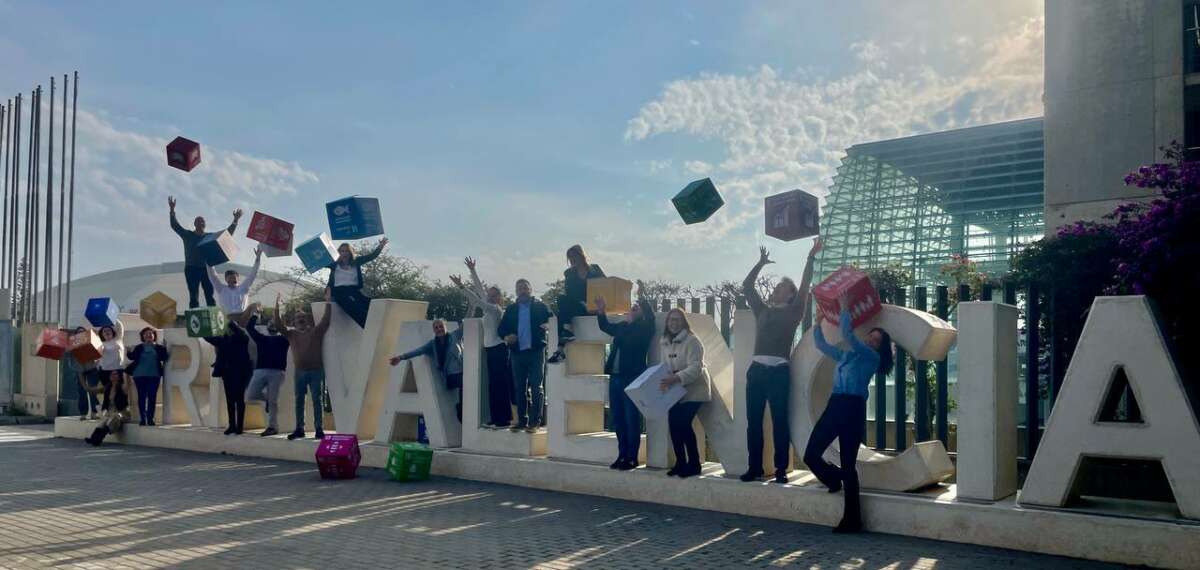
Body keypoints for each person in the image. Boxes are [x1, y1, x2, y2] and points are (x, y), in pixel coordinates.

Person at [805, 293, 894, 534]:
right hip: (835, 405)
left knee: (848, 465)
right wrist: (817, 323)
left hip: (853, 409)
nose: (871, 341)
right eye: (871, 337)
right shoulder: (846, 355)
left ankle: (852, 520)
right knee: (811, 454)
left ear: (879, 348)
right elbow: (822, 346)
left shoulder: (871, 357)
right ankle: (832, 479)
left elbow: (847, 336)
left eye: (876, 341)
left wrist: (844, 307)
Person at [740, 240, 821, 484]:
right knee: (753, 422)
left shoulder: (795, 311)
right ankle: (754, 467)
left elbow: (806, 285)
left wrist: (810, 257)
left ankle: (780, 469)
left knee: (779, 422)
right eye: (776, 287)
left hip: (779, 372)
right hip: (756, 372)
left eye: (781, 287)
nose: (775, 289)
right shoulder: (762, 310)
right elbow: (747, 286)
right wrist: (760, 264)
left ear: (791, 294)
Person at [595, 294, 656, 471]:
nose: (632, 309)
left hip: (632, 377)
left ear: (642, 313)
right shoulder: (622, 327)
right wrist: (601, 310)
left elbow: (651, 318)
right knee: (618, 419)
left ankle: (632, 457)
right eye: (632, 307)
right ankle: (622, 455)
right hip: (615, 377)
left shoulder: (644, 328)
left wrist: (644, 297)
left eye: (636, 308)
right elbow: (605, 326)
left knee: (631, 418)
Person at [449, 256, 511, 428]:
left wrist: (461, 286)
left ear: (499, 298)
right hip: (490, 350)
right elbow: (480, 292)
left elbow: (477, 300)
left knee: (499, 384)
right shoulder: (488, 310)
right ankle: (496, 417)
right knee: (493, 385)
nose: (489, 297)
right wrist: (472, 270)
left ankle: (503, 418)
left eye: (493, 295)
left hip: (498, 349)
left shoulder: (495, 310)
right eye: (489, 295)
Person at [658, 308, 711, 478]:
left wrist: (676, 377)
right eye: (671, 319)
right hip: (675, 390)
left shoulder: (692, 341)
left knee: (683, 424)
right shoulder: (664, 342)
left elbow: (696, 367)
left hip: (695, 390)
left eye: (678, 320)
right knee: (673, 426)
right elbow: (664, 366)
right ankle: (680, 463)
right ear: (667, 323)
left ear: (684, 323)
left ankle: (694, 464)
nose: (674, 323)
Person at [497, 278, 552, 433]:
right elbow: (501, 330)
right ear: (516, 291)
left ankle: (535, 422)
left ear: (530, 289)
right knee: (519, 388)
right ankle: (522, 420)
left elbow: (553, 320)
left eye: (524, 287)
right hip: (517, 353)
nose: (522, 290)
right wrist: (507, 337)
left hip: (536, 352)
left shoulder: (540, 307)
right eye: (519, 288)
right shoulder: (511, 309)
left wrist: (548, 327)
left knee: (537, 387)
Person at [168, 195, 242, 309]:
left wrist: (235, 220)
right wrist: (172, 210)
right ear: (195, 224)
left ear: (205, 224)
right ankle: (195, 317)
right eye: (198, 221)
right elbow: (175, 226)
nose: (201, 223)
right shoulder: (188, 235)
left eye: (203, 222)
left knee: (209, 294)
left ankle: (212, 315)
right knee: (193, 295)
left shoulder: (209, 237)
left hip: (206, 269)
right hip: (191, 268)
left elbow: (226, 236)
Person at [276, 298, 332, 441]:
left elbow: (326, 320)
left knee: (317, 400)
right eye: (297, 318)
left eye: (302, 317)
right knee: (299, 400)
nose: (300, 319)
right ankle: (299, 428)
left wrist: (328, 302)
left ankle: (319, 429)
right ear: (294, 321)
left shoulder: (316, 332)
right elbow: (278, 325)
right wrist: (276, 307)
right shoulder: (291, 334)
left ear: (307, 320)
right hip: (299, 372)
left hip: (316, 371)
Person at [390, 319, 466, 422]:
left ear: (445, 327)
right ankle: (461, 410)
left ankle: (463, 407)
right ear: (434, 331)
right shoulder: (432, 344)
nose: (439, 329)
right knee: (465, 382)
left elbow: (466, 323)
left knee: (469, 381)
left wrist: (475, 306)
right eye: (436, 327)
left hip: (463, 372)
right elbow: (418, 351)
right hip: (450, 377)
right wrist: (401, 357)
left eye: (441, 326)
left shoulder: (454, 336)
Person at [549, 244, 605, 364]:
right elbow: (570, 295)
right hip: (579, 306)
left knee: (561, 315)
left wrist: (596, 306)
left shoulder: (595, 269)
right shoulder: (569, 273)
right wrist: (584, 304)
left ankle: (560, 349)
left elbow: (606, 287)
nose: (572, 260)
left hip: (595, 308)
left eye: (574, 256)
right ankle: (564, 339)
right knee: (561, 300)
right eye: (569, 257)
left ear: (581, 255)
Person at [245, 308, 290, 437]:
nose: (272, 324)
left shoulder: (284, 339)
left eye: (275, 323)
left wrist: (281, 320)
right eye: (270, 323)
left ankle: (272, 427)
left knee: (274, 401)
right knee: (251, 395)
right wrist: (256, 314)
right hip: (260, 370)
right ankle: (268, 401)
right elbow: (249, 327)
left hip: (277, 372)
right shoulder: (262, 338)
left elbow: (287, 331)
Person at [204, 317, 253, 435]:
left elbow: (238, 331)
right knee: (230, 401)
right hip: (227, 374)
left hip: (240, 373)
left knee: (239, 400)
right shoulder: (223, 339)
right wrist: (202, 329)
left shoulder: (242, 338)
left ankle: (239, 426)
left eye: (229, 328)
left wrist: (228, 322)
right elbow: (209, 338)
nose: (227, 330)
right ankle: (232, 425)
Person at [324, 239, 388, 328]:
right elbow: (317, 262)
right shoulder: (334, 264)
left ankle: (383, 324)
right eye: (342, 251)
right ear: (338, 253)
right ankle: (368, 326)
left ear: (350, 253)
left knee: (371, 304)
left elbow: (372, 256)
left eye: (346, 251)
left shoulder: (356, 261)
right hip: (339, 291)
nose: (344, 253)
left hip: (353, 290)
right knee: (353, 307)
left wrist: (381, 245)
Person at [125, 327, 169, 426]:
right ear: (142, 336)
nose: (149, 335)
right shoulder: (139, 347)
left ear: (154, 336)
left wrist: (165, 347)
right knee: (142, 397)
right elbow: (132, 357)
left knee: (152, 397)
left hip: (154, 375)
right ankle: (143, 418)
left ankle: (150, 418)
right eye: (146, 334)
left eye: (151, 333)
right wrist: (128, 351)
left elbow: (164, 357)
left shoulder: (159, 347)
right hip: (139, 375)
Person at [208, 245, 263, 321]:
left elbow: (253, 274)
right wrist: (209, 259)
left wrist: (258, 258)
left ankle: (250, 326)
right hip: (228, 319)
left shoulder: (243, 287)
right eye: (230, 278)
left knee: (256, 305)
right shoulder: (221, 289)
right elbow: (212, 276)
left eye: (234, 277)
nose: (232, 279)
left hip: (243, 317)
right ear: (226, 279)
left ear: (238, 278)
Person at [84, 371, 134, 446]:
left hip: (121, 412)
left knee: (113, 419)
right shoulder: (108, 387)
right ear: (110, 377)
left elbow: (128, 384)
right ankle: (93, 438)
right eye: (112, 374)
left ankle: (98, 439)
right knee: (102, 422)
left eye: (116, 374)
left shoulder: (122, 387)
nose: (114, 376)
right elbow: (96, 390)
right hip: (110, 412)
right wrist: (86, 387)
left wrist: (126, 373)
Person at [66, 326, 101, 420]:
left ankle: (94, 412)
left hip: (92, 368)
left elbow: (99, 352)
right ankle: (83, 413)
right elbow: (68, 355)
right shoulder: (72, 344)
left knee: (93, 391)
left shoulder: (91, 341)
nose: (81, 334)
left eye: (83, 332)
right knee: (81, 392)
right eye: (79, 332)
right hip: (79, 370)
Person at [97, 321, 127, 399]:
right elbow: (96, 357)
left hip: (119, 369)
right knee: (107, 392)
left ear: (113, 332)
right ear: (102, 334)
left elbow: (120, 326)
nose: (107, 332)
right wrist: (100, 349)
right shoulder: (100, 344)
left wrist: (109, 317)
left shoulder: (118, 339)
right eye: (104, 331)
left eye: (109, 330)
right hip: (105, 371)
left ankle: (121, 409)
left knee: (120, 391)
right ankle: (108, 409)